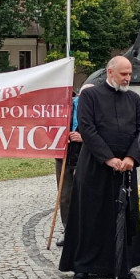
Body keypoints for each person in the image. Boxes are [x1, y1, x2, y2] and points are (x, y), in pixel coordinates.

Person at [59, 56, 140, 279]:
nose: (127, 78)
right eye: (123, 74)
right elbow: (87, 127)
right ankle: (83, 266)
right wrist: (108, 158)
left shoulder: (134, 99)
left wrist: (130, 157)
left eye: (129, 74)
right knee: (90, 215)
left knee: (122, 216)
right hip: (95, 166)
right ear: (110, 73)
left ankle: (120, 263)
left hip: (125, 167)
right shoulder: (90, 95)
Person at [53, 85, 89, 248]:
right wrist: (61, 135)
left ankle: (84, 231)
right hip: (64, 155)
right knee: (65, 195)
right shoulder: (63, 106)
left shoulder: (96, 108)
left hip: (85, 154)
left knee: (84, 194)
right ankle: (67, 230)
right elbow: (49, 127)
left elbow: (102, 131)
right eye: (83, 96)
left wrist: (84, 137)